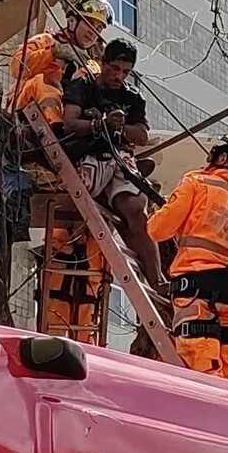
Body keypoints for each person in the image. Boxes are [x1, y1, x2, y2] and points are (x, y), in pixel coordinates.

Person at [146, 131, 228, 384]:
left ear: (227, 156)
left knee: (202, 374)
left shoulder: (197, 182)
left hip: (196, 290)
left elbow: (157, 230)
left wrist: (153, 212)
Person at [59, 37, 164, 288]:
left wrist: (121, 127)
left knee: (136, 215)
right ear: (104, 63)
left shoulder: (132, 98)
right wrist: (100, 124)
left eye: (125, 72)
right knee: (93, 196)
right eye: (115, 68)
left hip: (119, 158)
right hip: (90, 155)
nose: (119, 76)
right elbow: (69, 122)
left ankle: (157, 277)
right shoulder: (83, 87)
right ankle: (111, 195)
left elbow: (142, 134)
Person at [8, 0, 109, 126]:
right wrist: (53, 52)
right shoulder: (46, 41)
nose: (93, 32)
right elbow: (17, 67)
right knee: (45, 83)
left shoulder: (92, 67)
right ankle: (56, 129)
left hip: (67, 117)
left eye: (98, 28)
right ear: (72, 21)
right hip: (26, 106)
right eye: (89, 23)